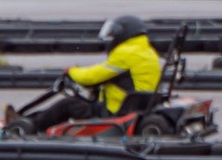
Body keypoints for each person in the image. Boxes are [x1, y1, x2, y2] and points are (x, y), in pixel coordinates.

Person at [18, 14, 161, 132]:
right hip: (139, 107)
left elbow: (92, 76)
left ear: (123, 34)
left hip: (116, 111)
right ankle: (29, 120)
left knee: (68, 104)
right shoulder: (149, 52)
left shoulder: (126, 53)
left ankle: (30, 128)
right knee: (80, 102)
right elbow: (112, 76)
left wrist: (72, 72)